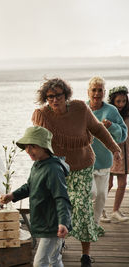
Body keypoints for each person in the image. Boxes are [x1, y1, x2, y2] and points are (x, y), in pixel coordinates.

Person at [32, 78, 121, 267]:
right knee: (59, 209)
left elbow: (97, 129)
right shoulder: (42, 115)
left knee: (82, 207)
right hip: (57, 169)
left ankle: (85, 255)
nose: (55, 100)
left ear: (66, 95)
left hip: (82, 166)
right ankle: (59, 244)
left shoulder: (80, 109)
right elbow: (36, 142)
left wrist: (114, 148)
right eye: (50, 97)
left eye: (58, 95)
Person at [0, 126, 72, 267]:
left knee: (40, 263)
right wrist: (12, 195)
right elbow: (30, 186)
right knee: (54, 259)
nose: (28, 150)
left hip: (53, 224)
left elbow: (61, 198)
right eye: (26, 147)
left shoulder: (53, 169)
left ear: (45, 147)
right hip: (45, 220)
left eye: (33, 146)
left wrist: (63, 222)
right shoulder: (38, 164)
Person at [86, 77, 127, 230]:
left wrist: (111, 126)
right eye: (94, 90)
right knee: (91, 193)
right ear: (88, 92)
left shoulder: (111, 110)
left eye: (100, 90)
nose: (97, 93)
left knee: (102, 196)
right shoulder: (82, 108)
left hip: (103, 161)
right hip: (85, 161)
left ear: (104, 92)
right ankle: (87, 223)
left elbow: (123, 134)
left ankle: (94, 226)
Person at [107, 86, 129, 222]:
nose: (121, 104)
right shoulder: (109, 114)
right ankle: (100, 209)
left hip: (126, 153)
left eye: (124, 101)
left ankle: (115, 210)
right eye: (118, 101)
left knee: (122, 183)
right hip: (110, 152)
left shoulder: (128, 114)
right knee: (106, 184)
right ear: (113, 101)